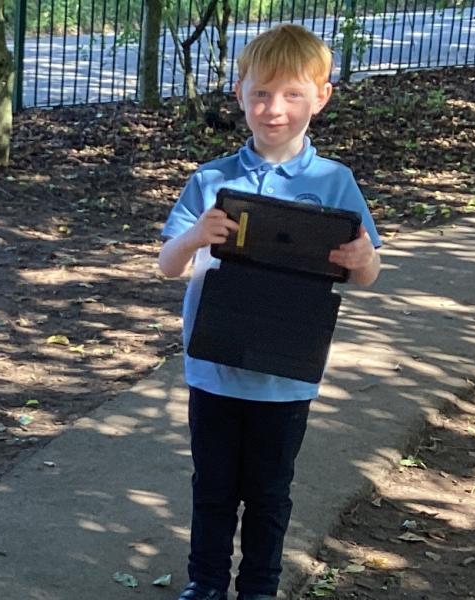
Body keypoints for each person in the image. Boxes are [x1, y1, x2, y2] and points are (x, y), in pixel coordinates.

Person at [154, 23, 384, 600]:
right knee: (212, 488)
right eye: (260, 93)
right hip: (214, 365)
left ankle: (259, 587)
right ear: (239, 94)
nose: (273, 108)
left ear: (321, 97)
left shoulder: (334, 182)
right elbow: (167, 265)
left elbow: (366, 270)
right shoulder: (213, 179)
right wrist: (195, 237)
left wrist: (363, 259)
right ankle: (206, 583)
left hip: (286, 372)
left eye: (291, 94)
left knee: (269, 492)